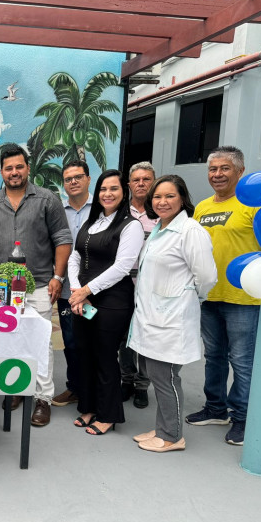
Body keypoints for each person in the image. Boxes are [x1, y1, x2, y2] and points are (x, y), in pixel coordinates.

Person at [0, 143, 72, 427]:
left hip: (40, 285)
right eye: (8, 168)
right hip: (2, 289)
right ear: (1, 172)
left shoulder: (47, 199)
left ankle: (42, 398)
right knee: (8, 339)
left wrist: (58, 278)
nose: (14, 172)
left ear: (27, 168)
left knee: (41, 342)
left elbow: (62, 239)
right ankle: (16, 388)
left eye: (19, 166)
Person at [129, 175, 217, 452]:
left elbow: (207, 276)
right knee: (158, 375)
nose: (162, 201)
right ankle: (164, 426)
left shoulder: (191, 230)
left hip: (171, 318)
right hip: (152, 316)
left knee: (165, 377)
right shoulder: (159, 229)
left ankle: (172, 436)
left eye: (169, 196)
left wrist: (184, 298)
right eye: (157, 197)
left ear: (182, 199)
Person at [186, 146, 260, 446]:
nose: (217, 174)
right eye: (213, 169)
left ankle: (242, 418)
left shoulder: (252, 205)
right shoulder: (202, 207)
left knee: (241, 361)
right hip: (209, 297)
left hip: (243, 298)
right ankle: (215, 408)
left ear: (239, 171)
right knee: (213, 357)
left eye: (224, 168)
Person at [68, 169, 144, 436]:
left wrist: (86, 289)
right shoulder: (92, 222)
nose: (108, 194)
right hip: (84, 299)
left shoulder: (131, 225)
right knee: (84, 354)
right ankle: (88, 407)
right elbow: (75, 257)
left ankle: (108, 414)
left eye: (114, 189)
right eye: (103, 189)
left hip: (113, 302)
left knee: (105, 357)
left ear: (124, 192)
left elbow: (123, 266)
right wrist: (77, 290)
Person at [52, 160, 92, 408]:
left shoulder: (100, 209)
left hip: (94, 292)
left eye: (78, 177)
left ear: (88, 179)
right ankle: (74, 388)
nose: (73, 182)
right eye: (68, 179)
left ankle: (95, 392)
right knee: (70, 340)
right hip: (68, 292)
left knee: (94, 339)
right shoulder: (59, 212)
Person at [120, 161, 158, 409]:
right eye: (137, 180)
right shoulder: (121, 212)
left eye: (146, 179)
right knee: (124, 338)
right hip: (123, 286)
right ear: (129, 184)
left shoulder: (161, 212)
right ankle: (126, 380)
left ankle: (143, 385)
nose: (141, 183)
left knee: (145, 337)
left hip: (151, 288)